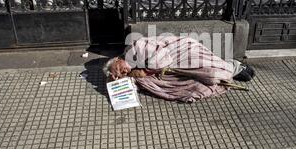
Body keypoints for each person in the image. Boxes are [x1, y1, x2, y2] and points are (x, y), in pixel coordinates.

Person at [103, 36, 255, 103]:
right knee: (204, 82)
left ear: (118, 59)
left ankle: (233, 66)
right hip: (176, 66)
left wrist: (146, 70)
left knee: (212, 72)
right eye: (121, 74)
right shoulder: (132, 71)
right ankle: (228, 70)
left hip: (183, 51)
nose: (123, 72)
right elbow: (127, 85)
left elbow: (164, 58)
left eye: (119, 68)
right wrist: (115, 80)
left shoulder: (135, 47)